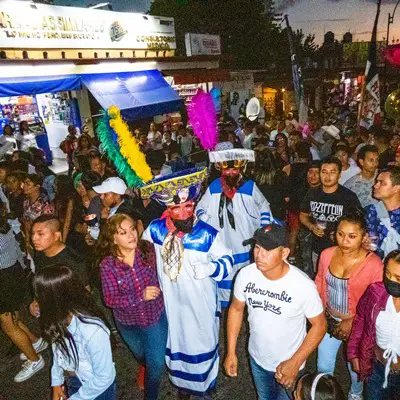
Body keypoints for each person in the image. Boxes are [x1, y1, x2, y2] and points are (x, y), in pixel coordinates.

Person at [141, 168, 233, 397]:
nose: (183, 212)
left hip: (200, 305)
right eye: (176, 207)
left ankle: (206, 386)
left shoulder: (207, 233)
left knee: (202, 341)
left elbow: (227, 261)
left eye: (188, 205)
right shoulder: (154, 230)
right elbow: (140, 257)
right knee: (177, 342)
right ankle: (182, 385)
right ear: (167, 209)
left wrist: (211, 268)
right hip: (171, 304)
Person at [224, 224, 326, 400]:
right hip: (257, 358)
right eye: (257, 247)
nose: (259, 255)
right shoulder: (245, 275)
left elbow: (320, 325)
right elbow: (236, 309)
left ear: (284, 253)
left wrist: (295, 363)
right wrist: (231, 352)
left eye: (268, 249)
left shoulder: (302, 285)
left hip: (290, 363)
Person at [98, 214, 167, 399]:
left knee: (157, 364)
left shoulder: (148, 251)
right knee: (141, 356)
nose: (131, 235)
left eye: (132, 229)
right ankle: (145, 365)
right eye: (123, 232)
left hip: (154, 317)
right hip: (128, 323)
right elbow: (110, 299)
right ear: (113, 238)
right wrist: (140, 296)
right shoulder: (108, 265)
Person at [315, 213, 383, 400]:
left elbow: (377, 302)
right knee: (324, 366)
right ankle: (326, 396)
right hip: (329, 319)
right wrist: (319, 314)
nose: (344, 241)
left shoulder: (374, 265)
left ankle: (356, 394)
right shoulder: (326, 254)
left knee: (356, 368)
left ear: (363, 236)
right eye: (340, 234)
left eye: (352, 236)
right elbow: (320, 282)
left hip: (360, 325)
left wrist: (352, 321)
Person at [196, 149, 273, 307]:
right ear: (221, 170)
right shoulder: (214, 187)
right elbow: (200, 209)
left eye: (234, 169)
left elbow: (264, 206)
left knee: (246, 281)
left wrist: (264, 229)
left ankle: (246, 307)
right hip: (223, 243)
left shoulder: (250, 187)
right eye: (227, 169)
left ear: (241, 169)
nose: (230, 173)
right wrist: (207, 222)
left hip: (245, 242)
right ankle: (226, 311)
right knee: (225, 277)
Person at [31, 266, 116, 400]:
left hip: (95, 388)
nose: (35, 303)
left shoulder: (92, 330)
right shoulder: (57, 319)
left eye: (39, 297)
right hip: (74, 380)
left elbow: (104, 378)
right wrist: (57, 384)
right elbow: (58, 352)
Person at [0, 200, 47, 382]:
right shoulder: (5, 226)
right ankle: (36, 342)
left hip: (5, 281)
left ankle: (34, 360)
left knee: (8, 326)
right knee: (13, 319)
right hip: (13, 276)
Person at [347, 250, 400, 399]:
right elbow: (361, 321)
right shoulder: (376, 292)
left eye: (398, 277)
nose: (390, 281)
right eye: (388, 273)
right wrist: (354, 353)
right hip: (377, 369)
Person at [300, 157, 362, 270]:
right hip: (318, 249)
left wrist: (342, 233)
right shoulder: (312, 193)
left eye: (332, 172)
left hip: (342, 250)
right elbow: (303, 215)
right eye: (324, 172)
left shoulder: (348, 197)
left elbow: (359, 222)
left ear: (339, 175)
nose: (327, 176)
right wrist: (312, 227)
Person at [32, 215, 90, 287]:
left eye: (40, 234)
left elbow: (85, 293)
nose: (34, 238)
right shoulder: (40, 253)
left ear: (57, 236)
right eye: (33, 233)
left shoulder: (74, 262)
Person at [365, 166, 400, 259]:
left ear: (396, 188)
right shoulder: (370, 212)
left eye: (382, 183)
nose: (375, 185)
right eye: (377, 181)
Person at [254, 148, 289, 223]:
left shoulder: (254, 177)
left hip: (261, 214)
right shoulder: (281, 176)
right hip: (277, 214)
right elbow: (287, 198)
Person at [22, 174, 54, 252]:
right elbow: (26, 221)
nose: (24, 186)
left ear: (37, 187)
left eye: (28, 184)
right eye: (24, 183)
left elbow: (48, 228)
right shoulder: (26, 201)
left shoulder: (45, 204)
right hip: (32, 240)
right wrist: (27, 241)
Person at [54, 175, 76, 243]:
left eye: (55, 184)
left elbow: (67, 223)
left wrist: (63, 241)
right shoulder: (58, 197)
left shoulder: (70, 200)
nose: (53, 186)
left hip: (68, 233)